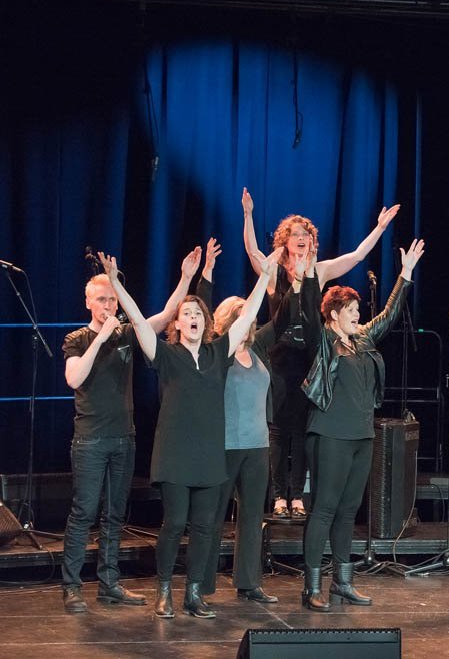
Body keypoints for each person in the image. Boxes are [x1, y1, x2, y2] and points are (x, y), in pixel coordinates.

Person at [101, 247, 277, 619]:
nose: (193, 318)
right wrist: (117, 285)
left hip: (210, 456)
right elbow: (139, 322)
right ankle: (164, 588)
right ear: (178, 324)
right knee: (175, 523)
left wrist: (265, 276)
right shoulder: (167, 355)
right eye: (187, 314)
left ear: (205, 321)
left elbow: (248, 315)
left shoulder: (218, 354)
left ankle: (194, 592)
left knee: (204, 527)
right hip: (175, 454)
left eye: (198, 313)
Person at [242, 188, 399, 519]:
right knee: (278, 429)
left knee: (302, 428)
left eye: (305, 234)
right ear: (285, 241)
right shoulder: (274, 272)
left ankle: (297, 495)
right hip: (280, 357)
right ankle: (279, 495)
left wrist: (380, 227)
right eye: (295, 234)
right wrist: (248, 215)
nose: (301, 238)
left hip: (310, 357)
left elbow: (356, 256)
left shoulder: (320, 270)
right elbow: (253, 252)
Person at [60, 247, 202, 613]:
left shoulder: (126, 333)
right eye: (101, 299)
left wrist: (186, 277)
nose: (108, 304)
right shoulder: (77, 338)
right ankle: (72, 586)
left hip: (124, 437)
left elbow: (165, 316)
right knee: (84, 512)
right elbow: (74, 378)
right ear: (88, 302)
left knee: (114, 514)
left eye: (112, 299)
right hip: (90, 439)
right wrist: (100, 338)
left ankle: (109, 583)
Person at [299, 239, 425, 611]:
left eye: (357, 309)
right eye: (350, 310)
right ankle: (312, 586)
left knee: (348, 510)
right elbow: (307, 308)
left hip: (362, 436)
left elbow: (388, 314)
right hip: (330, 434)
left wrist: (405, 274)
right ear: (333, 315)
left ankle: (343, 582)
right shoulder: (323, 340)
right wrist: (310, 273)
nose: (357, 314)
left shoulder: (364, 339)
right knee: (324, 508)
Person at [195, 239, 314, 605]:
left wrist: (297, 281)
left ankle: (248, 583)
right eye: (241, 316)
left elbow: (283, 319)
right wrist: (206, 275)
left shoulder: (259, 347)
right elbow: (202, 312)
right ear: (227, 322)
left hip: (257, 447)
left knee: (251, 517)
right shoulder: (217, 351)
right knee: (213, 516)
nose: (248, 320)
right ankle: (201, 585)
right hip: (225, 446)